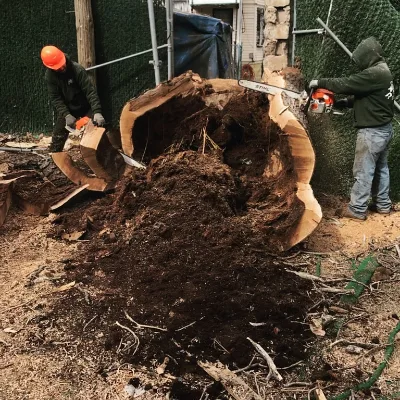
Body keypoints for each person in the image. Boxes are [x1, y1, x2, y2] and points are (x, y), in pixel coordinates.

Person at [309, 37, 395, 221]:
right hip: (384, 129)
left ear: (367, 56)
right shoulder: (383, 71)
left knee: (364, 171)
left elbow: (346, 84)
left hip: (372, 133)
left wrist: (320, 82)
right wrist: (343, 103)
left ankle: (357, 209)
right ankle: (383, 205)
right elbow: (368, 97)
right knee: (381, 169)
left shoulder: (374, 74)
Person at [41, 45, 105, 152]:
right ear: (51, 67)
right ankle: (54, 156)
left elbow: (90, 92)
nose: (62, 68)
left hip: (86, 106)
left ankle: (103, 154)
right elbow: (56, 98)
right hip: (69, 108)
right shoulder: (50, 76)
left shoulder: (77, 69)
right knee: (58, 135)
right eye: (58, 67)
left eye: (62, 64)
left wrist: (97, 111)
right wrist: (66, 115)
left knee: (98, 130)